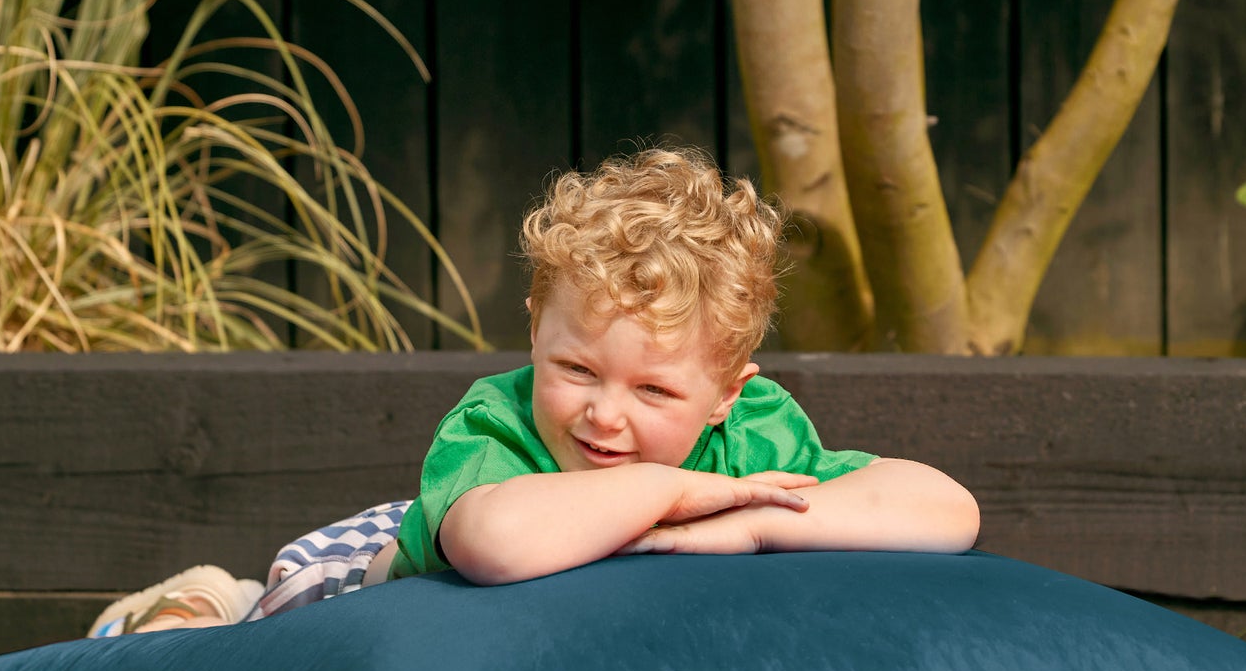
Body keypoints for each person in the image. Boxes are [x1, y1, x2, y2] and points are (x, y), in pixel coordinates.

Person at [87, 147, 979, 637]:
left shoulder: (750, 433)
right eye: (577, 370)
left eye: (654, 390)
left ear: (723, 396)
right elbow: (497, 545)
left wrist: (750, 525)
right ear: (534, 332)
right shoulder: (496, 423)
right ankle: (202, 598)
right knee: (216, 648)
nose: (604, 413)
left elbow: (948, 510)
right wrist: (675, 491)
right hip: (367, 568)